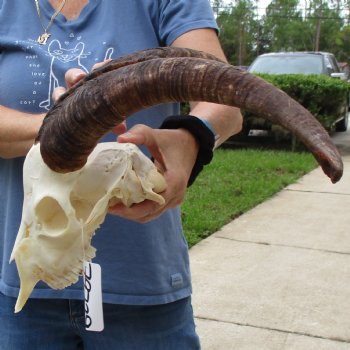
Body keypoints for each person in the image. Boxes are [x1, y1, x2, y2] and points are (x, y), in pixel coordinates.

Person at [0, 0, 242, 348]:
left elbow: (225, 96)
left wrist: (193, 138)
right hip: (21, 294)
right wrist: (73, 121)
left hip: (143, 291)